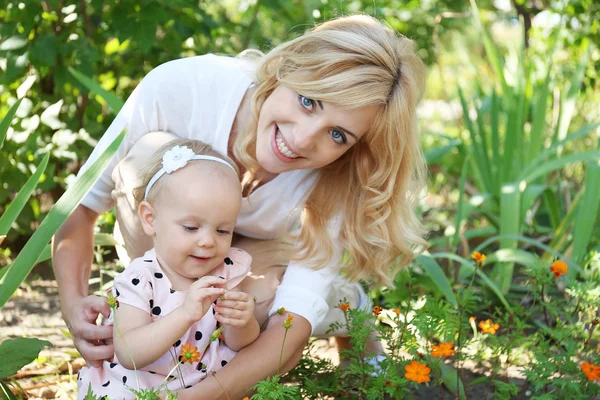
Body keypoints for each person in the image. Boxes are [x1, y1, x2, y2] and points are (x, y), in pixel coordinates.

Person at [53, 14, 427, 399]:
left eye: (337, 135)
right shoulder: (183, 88)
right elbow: (80, 211)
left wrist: (194, 397)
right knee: (146, 159)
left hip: (254, 265)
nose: (300, 139)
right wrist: (74, 307)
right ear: (285, 69)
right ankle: (159, 325)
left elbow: (290, 330)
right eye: (308, 101)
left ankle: (347, 305)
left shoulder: (336, 177)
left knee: (257, 303)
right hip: (163, 256)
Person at [77, 140, 259, 399]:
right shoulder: (140, 279)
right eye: (191, 227)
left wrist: (244, 322)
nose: (208, 241)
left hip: (201, 385)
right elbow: (130, 354)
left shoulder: (225, 271)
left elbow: (237, 342)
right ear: (151, 219)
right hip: (138, 386)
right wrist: (185, 314)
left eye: (222, 230)